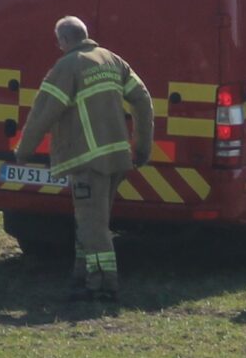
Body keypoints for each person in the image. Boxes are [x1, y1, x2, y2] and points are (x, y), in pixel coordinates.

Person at [11, 15, 154, 309]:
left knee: (93, 227)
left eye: (58, 42)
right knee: (90, 222)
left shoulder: (67, 68)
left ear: (64, 40)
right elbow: (142, 99)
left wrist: (24, 151)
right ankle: (81, 276)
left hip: (88, 162)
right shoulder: (112, 60)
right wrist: (141, 147)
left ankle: (102, 286)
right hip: (117, 159)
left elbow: (43, 113)